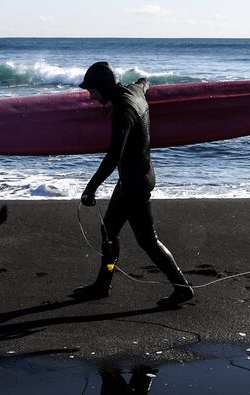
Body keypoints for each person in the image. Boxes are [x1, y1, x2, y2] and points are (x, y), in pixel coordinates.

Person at [72, 61, 194, 308]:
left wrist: (91, 188)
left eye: (92, 90)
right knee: (116, 233)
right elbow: (145, 81)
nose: (91, 96)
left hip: (133, 183)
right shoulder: (134, 91)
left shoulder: (122, 111)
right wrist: (146, 83)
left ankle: (181, 288)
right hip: (141, 176)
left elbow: (113, 156)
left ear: (104, 87)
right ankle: (104, 283)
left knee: (141, 239)